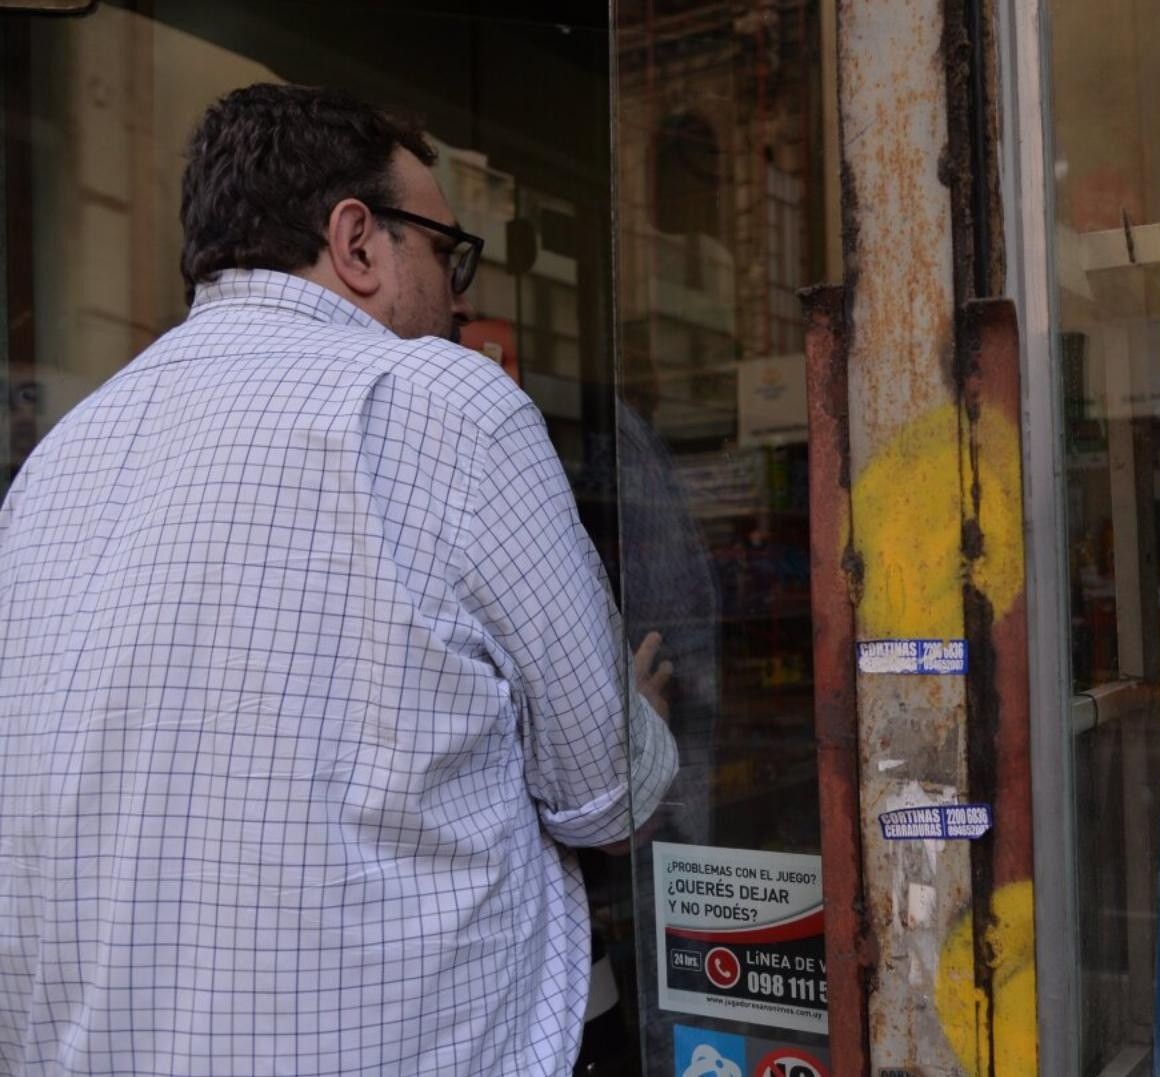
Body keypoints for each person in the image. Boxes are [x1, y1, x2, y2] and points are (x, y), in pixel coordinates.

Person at [0, 83, 676, 1075]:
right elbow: (613, 799)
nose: (459, 296)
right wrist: (640, 716)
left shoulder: (60, 458)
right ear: (358, 241)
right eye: (447, 254)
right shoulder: (442, 403)